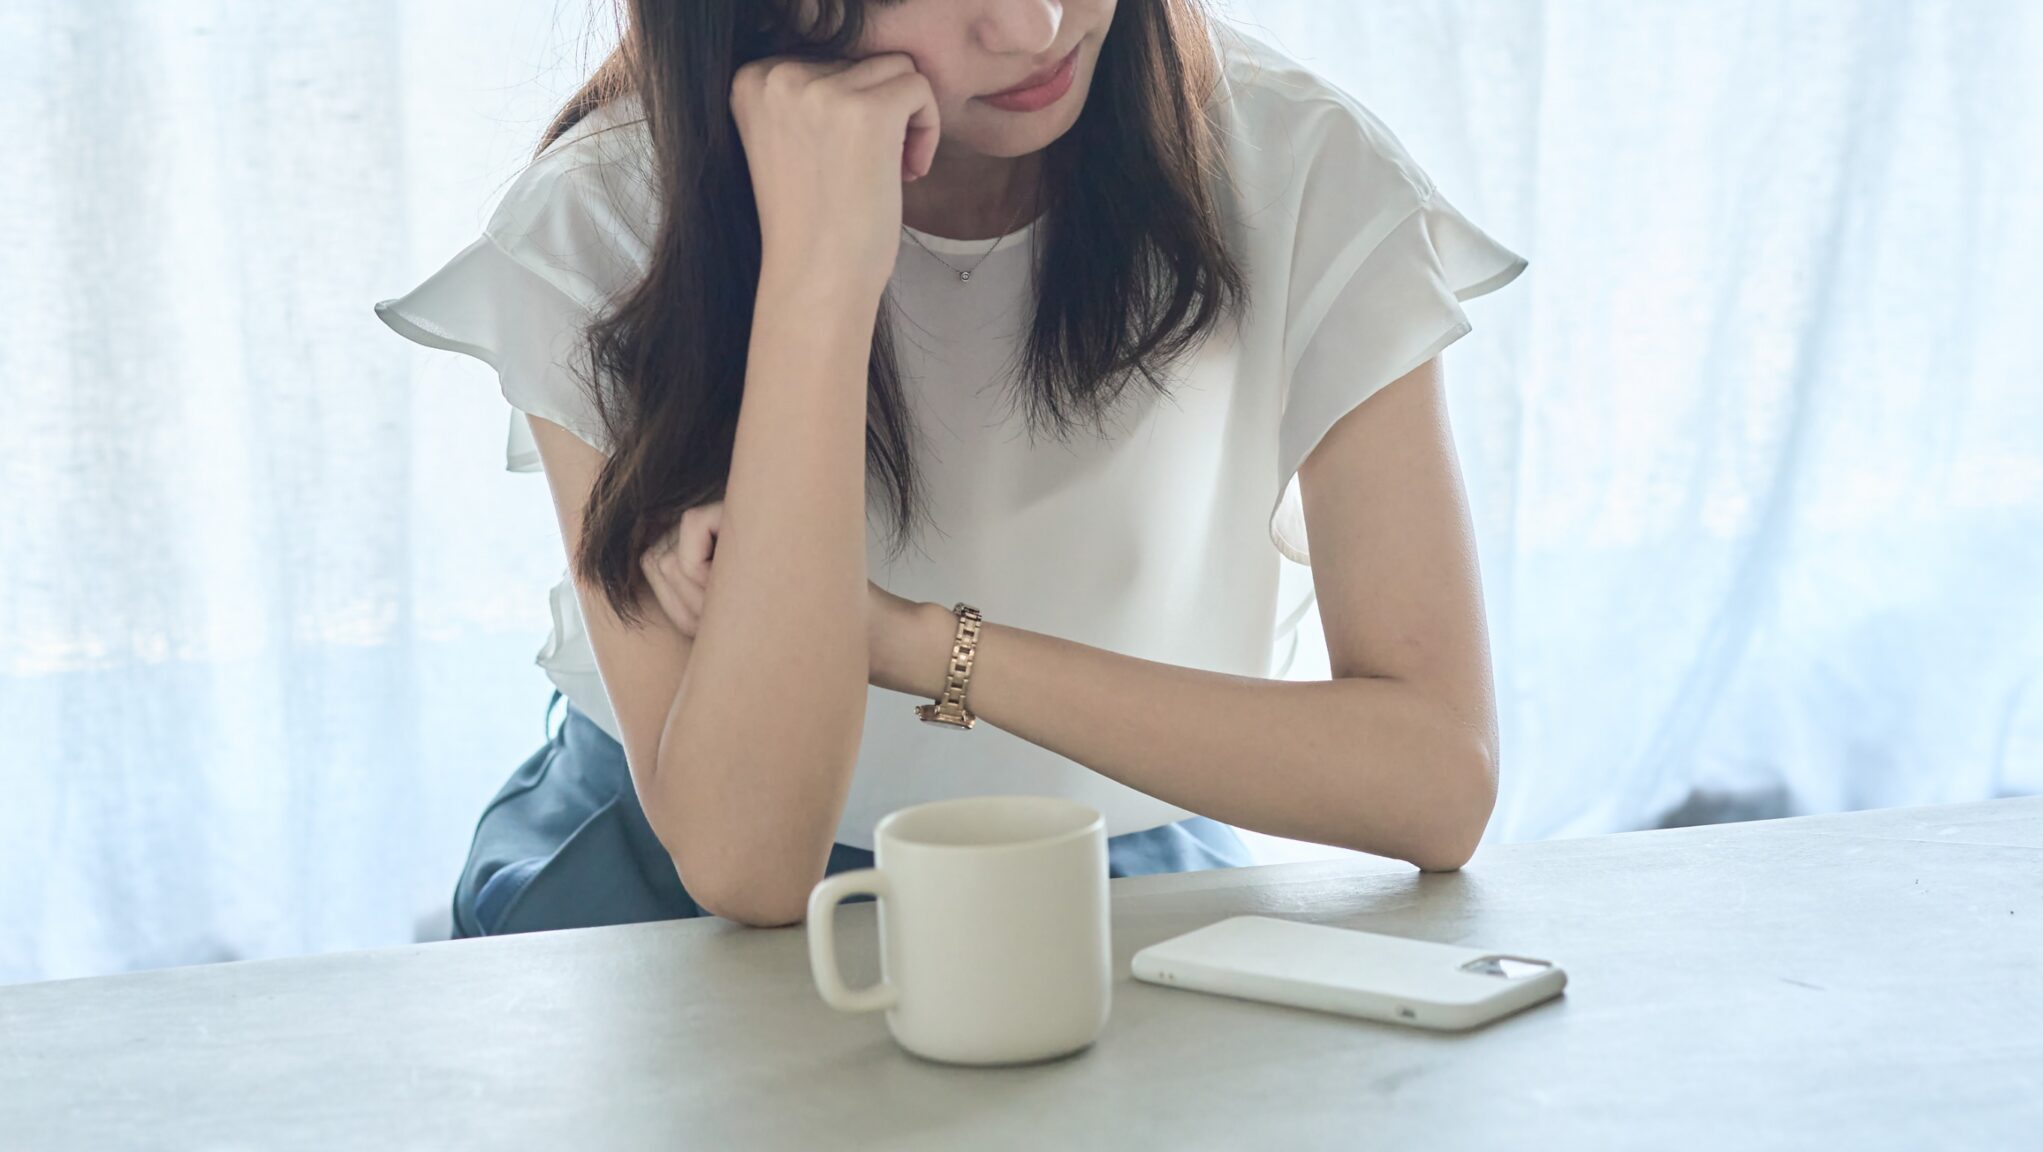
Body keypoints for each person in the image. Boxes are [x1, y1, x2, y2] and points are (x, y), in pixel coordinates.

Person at [373, 0, 1527, 936]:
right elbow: (746, 865)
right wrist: (821, 276)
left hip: (1109, 877)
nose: (1031, 22)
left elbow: (1435, 781)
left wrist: (904, 640)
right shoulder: (609, 218)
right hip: (661, 907)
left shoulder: (1293, 163)